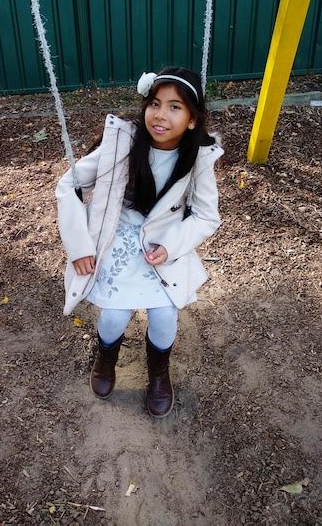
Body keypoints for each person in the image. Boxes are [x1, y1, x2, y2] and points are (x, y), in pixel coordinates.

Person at [55, 67, 223, 418]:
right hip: (118, 239)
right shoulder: (123, 144)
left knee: (164, 315)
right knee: (114, 316)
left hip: (163, 246)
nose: (161, 115)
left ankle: (159, 373)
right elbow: (67, 184)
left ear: (192, 120)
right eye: (155, 103)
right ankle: (105, 359)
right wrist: (79, 245)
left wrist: (173, 245)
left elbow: (207, 216)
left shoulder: (199, 159)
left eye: (175, 107)